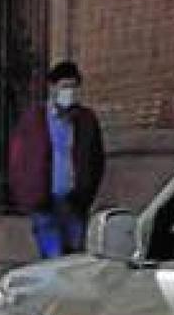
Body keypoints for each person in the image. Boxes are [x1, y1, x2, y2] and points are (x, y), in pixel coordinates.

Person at [8, 61, 105, 258]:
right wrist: (27, 194)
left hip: (74, 201)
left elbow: (96, 158)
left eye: (73, 87)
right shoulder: (34, 120)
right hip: (44, 201)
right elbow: (18, 159)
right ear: (52, 88)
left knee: (76, 256)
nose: (69, 92)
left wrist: (86, 191)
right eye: (64, 86)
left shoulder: (86, 120)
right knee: (53, 258)